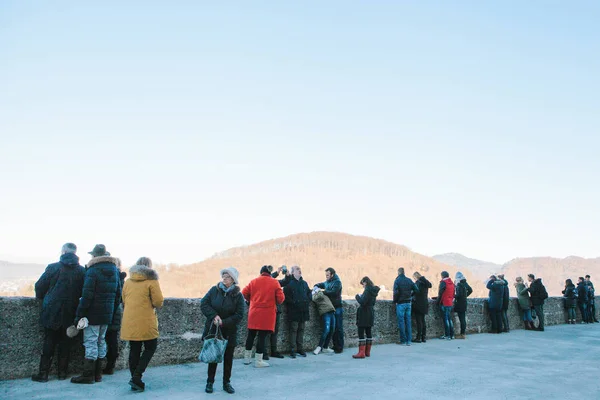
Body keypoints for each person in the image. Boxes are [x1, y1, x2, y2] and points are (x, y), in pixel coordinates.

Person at [32, 243, 86, 382]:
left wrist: (44, 298)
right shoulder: (81, 271)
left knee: (49, 341)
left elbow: (39, 286)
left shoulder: (53, 267)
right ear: (75, 253)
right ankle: (62, 373)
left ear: (63, 251)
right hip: (71, 310)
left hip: (52, 310)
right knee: (66, 343)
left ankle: (43, 374)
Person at [71, 245, 121, 385]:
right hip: (107, 314)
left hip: (92, 314)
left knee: (90, 342)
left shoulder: (92, 271)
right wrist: (110, 310)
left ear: (94, 256)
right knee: (101, 341)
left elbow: (86, 296)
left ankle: (88, 375)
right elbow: (118, 295)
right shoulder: (115, 271)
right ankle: (98, 374)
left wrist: (79, 314)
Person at [120, 257, 164, 391]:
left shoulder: (128, 281)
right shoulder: (152, 281)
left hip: (130, 320)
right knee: (151, 347)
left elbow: (124, 300)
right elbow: (158, 302)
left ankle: (135, 379)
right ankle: (136, 377)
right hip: (146, 320)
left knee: (134, 350)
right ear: (149, 267)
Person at [201, 267, 244, 394]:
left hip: (229, 331)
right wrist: (214, 316)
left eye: (228, 277)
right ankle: (210, 382)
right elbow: (204, 304)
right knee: (213, 356)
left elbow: (239, 315)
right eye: (224, 276)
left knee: (228, 358)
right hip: (214, 329)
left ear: (233, 280)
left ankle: (227, 383)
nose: (224, 278)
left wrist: (224, 322)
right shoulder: (214, 290)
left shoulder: (238, 296)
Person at [242, 266, 285, 368]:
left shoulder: (253, 281)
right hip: (267, 314)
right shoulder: (274, 282)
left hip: (254, 312)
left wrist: (251, 300)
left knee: (251, 335)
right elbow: (281, 299)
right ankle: (258, 361)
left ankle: (246, 358)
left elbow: (244, 293)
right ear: (270, 273)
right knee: (262, 337)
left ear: (261, 272)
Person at [103, 258, 127, 375]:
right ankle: (110, 366)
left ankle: (102, 367)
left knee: (101, 339)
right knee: (112, 339)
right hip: (116, 311)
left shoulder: (110, 276)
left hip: (106, 310)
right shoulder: (121, 278)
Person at [283, 265, 311, 358]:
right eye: (297, 269)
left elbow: (309, 293)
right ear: (292, 272)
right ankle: (293, 350)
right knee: (293, 330)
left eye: (300, 269)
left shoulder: (304, 283)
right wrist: (294, 303)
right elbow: (286, 297)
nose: (299, 270)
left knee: (301, 330)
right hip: (293, 310)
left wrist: (308, 300)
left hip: (303, 310)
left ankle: (300, 349)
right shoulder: (289, 284)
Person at [316, 267, 344, 353]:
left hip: (337, 307)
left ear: (332, 275)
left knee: (338, 328)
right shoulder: (327, 282)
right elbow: (321, 284)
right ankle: (335, 346)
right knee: (333, 328)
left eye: (328, 275)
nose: (326, 277)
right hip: (331, 308)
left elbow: (334, 292)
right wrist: (315, 287)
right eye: (326, 275)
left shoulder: (337, 282)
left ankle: (339, 347)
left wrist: (322, 292)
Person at [265, 265, 290, 359]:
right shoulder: (265, 281)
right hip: (267, 310)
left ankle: (273, 351)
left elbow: (285, 282)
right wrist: (276, 273)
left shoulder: (275, 283)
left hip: (276, 310)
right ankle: (263, 353)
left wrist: (287, 275)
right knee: (266, 332)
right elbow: (267, 279)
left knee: (275, 332)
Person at [353, 277, 380, 358]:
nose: (363, 286)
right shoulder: (374, 291)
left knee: (361, 331)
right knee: (368, 332)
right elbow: (373, 303)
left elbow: (362, 302)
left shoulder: (367, 290)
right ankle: (367, 352)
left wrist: (357, 296)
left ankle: (361, 353)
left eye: (363, 284)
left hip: (364, 313)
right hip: (370, 312)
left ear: (365, 282)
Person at [393, 267, 418, 346]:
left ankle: (403, 341)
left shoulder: (397, 280)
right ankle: (409, 341)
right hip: (408, 303)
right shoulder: (409, 280)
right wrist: (410, 295)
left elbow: (396, 292)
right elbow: (416, 289)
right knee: (408, 321)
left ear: (398, 272)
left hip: (401, 303)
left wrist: (395, 301)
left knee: (401, 322)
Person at [311, 286, 336, 355]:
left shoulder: (322, 294)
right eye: (316, 290)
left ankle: (325, 347)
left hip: (331, 311)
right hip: (325, 313)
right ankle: (319, 347)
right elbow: (320, 296)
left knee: (332, 330)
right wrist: (317, 291)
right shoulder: (314, 296)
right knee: (326, 330)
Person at [453, 272, 472, 339]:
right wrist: (465, 296)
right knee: (463, 318)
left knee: (462, 319)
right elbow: (470, 290)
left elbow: (458, 295)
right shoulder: (465, 283)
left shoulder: (459, 284)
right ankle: (463, 333)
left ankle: (462, 334)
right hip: (464, 302)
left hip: (459, 303)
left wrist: (453, 296)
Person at [437, 271, 455, 340]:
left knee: (446, 319)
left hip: (444, 302)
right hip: (450, 302)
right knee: (450, 319)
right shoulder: (452, 283)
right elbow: (453, 293)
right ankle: (452, 334)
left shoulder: (443, 283)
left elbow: (440, 293)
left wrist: (437, 302)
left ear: (442, 276)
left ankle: (447, 335)